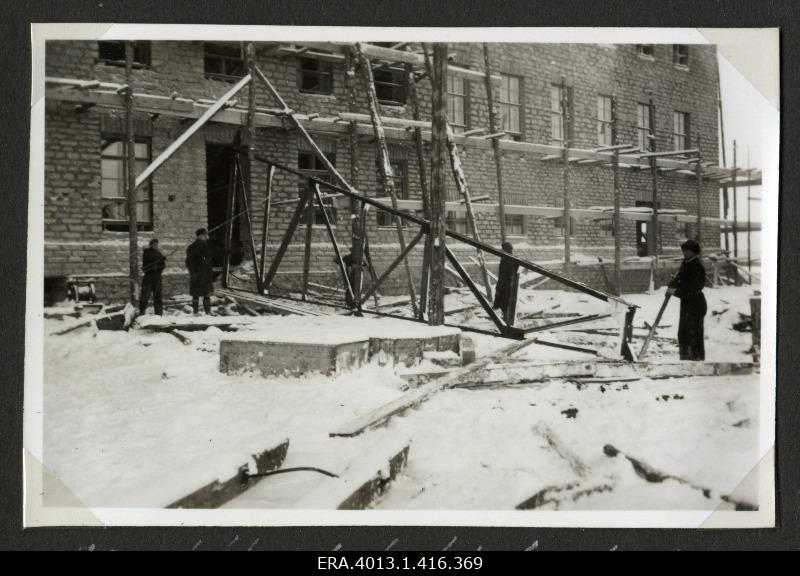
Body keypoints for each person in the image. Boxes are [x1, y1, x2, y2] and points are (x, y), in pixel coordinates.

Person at [667, 239, 707, 361]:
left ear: (694, 252)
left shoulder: (697, 267)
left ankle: (697, 360)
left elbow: (693, 288)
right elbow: (679, 279)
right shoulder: (686, 263)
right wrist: (672, 285)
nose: (684, 252)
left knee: (694, 333)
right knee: (683, 333)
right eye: (683, 250)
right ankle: (685, 359)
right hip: (687, 303)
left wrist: (676, 292)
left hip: (696, 303)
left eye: (687, 250)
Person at [185, 228, 215, 315]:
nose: (207, 237)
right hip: (201, 274)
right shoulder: (199, 246)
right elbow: (190, 262)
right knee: (202, 294)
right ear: (201, 236)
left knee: (200, 294)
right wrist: (194, 272)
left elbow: (188, 262)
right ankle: (202, 313)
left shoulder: (195, 246)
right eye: (205, 235)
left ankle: (201, 312)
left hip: (200, 274)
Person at [492, 241, 520, 324]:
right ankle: (506, 320)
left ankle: (507, 322)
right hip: (507, 284)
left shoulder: (508, 259)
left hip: (506, 285)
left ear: (506, 250)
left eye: (503, 249)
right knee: (505, 303)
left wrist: (499, 287)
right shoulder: (509, 258)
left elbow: (505, 274)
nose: (501, 251)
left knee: (505, 303)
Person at [140, 239, 166, 315]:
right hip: (148, 277)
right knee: (145, 296)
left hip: (157, 278)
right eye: (154, 244)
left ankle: (159, 314)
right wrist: (159, 259)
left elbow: (163, 265)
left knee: (158, 297)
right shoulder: (147, 252)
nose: (156, 246)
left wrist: (158, 267)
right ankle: (142, 312)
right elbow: (150, 258)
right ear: (150, 245)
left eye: (157, 244)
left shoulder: (158, 254)